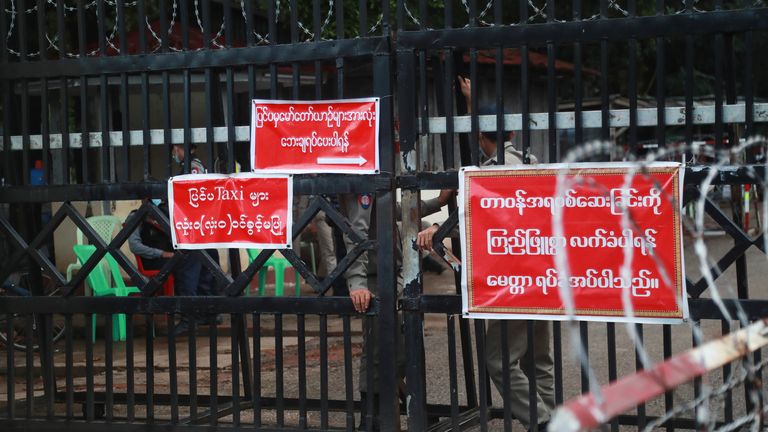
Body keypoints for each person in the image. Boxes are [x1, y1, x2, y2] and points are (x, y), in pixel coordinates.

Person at [416, 77, 554, 431]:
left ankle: (547, 422)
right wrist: (472, 102)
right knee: (539, 360)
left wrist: (439, 230)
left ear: (482, 137)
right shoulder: (529, 161)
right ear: (511, 134)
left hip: (514, 277)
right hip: (542, 272)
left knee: (498, 361)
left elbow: (490, 222)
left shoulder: (495, 171)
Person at [170, 144, 221, 335]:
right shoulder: (200, 164)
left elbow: (193, 194)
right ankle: (209, 312)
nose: (174, 153)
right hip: (206, 226)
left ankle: (189, 317)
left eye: (174, 149)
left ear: (179, 148)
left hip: (195, 227)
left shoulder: (191, 167)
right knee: (206, 271)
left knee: (188, 272)